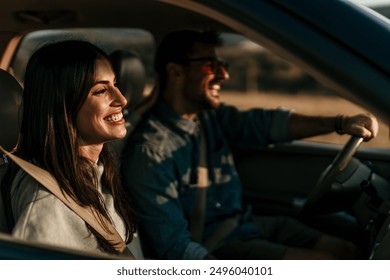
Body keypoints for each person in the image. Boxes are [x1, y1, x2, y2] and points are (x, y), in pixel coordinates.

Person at [121, 29, 379, 260]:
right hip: (217, 246)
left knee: (346, 250)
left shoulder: (211, 118)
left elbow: (267, 124)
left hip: (246, 224)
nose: (224, 73)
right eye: (211, 65)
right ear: (176, 72)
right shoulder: (151, 151)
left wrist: (341, 122)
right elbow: (174, 249)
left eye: (222, 63)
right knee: (327, 264)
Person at [1, 40, 136, 256]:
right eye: (101, 90)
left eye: (115, 84)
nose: (122, 99)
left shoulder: (91, 172)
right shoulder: (48, 201)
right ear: (62, 105)